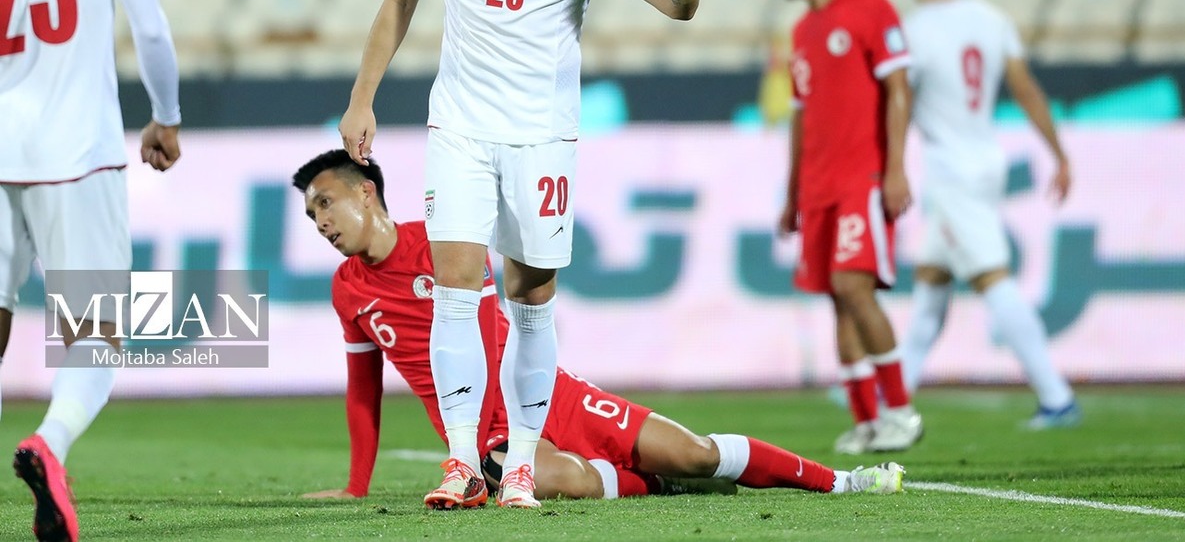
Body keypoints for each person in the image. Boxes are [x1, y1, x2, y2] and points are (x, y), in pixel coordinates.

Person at [336, 0, 704, 509]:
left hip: (542, 138)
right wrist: (362, 96)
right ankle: (462, 461)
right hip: (462, 130)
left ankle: (524, 465)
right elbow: (399, 0)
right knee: (454, 291)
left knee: (530, 301)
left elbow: (679, 3)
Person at [290, 150, 905, 505]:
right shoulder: (349, 291)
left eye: (325, 202)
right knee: (555, 481)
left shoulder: (446, 243)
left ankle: (846, 482)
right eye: (312, 212)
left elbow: (481, 329)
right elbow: (362, 390)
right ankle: (656, 486)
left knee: (698, 452)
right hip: (486, 437)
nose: (319, 220)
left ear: (366, 193)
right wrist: (355, 486)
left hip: (545, 392)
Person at [0, 0, 182, 542]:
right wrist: (165, 116)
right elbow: (150, 30)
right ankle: (53, 439)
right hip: (76, 149)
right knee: (97, 326)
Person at [897, 0, 1080, 429]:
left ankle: (1056, 396)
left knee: (992, 278)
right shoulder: (991, 18)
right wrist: (1059, 154)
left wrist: (886, 162)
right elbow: (1024, 88)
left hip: (951, 171)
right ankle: (893, 394)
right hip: (986, 160)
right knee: (932, 283)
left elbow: (900, 104)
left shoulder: (913, 31)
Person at [774, 0, 923, 455]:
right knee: (839, 299)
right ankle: (867, 421)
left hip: (862, 179)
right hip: (817, 190)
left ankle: (901, 411)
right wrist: (792, 196)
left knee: (855, 288)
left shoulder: (870, 10)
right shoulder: (801, 32)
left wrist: (897, 168)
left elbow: (899, 90)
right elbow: (801, 118)